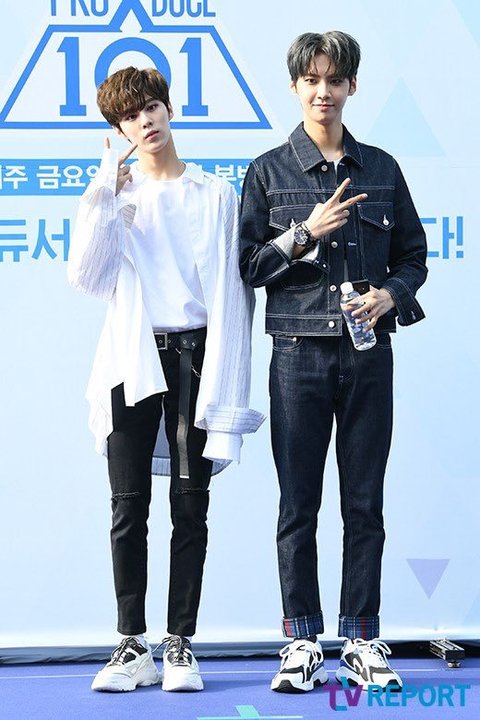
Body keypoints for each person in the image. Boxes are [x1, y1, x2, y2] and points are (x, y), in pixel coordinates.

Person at [239, 31, 427, 693]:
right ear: (295, 87)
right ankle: (301, 641)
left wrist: (391, 294)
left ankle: (362, 638)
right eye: (312, 80)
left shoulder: (381, 169)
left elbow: (414, 257)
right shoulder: (268, 172)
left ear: (352, 86)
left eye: (334, 80)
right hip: (297, 357)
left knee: (365, 503)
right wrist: (303, 233)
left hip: (369, 356)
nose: (323, 91)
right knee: (298, 505)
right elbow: (248, 267)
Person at [68, 66, 264, 693]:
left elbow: (234, 293)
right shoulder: (114, 196)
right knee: (127, 506)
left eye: (151, 107)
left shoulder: (215, 194)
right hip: (131, 359)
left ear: (169, 109)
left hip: (195, 357)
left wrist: (229, 382)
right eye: (129, 117)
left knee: (190, 505)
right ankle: (131, 643)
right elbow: (87, 276)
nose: (144, 122)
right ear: (118, 130)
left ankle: (180, 641)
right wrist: (105, 192)